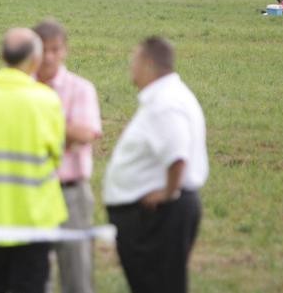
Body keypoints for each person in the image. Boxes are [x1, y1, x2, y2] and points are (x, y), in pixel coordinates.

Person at [0, 28, 67, 293]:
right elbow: (56, 154)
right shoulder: (46, 100)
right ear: (36, 59)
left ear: (1, 56)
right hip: (34, 217)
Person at [104, 37, 209, 293]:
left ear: (149, 64)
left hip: (158, 216)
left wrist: (168, 192)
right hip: (156, 216)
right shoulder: (166, 97)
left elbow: (177, 157)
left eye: (134, 61)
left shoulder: (166, 103)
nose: (131, 67)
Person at [34, 20, 101, 293]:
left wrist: (38, 126)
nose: (49, 57)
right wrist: (64, 132)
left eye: (55, 49)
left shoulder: (80, 88)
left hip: (70, 192)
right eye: (43, 49)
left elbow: (85, 134)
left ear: (65, 50)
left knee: (77, 274)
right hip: (31, 192)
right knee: (35, 277)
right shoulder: (23, 88)